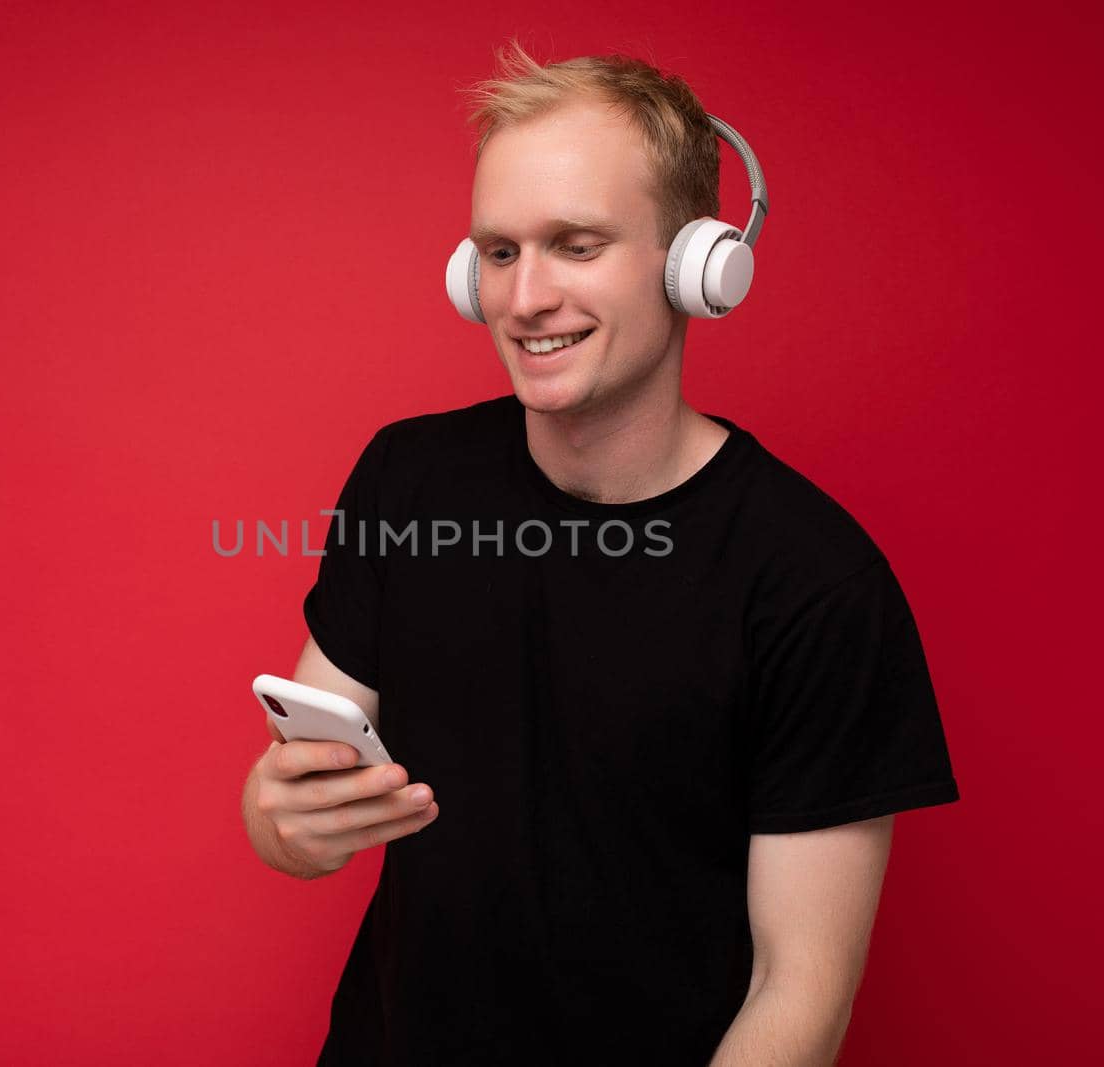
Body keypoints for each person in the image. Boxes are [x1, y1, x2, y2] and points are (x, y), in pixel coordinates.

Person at [240, 40, 959, 1066]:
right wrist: (280, 823)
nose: (524, 297)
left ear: (697, 265)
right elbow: (295, 801)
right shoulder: (409, 477)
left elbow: (798, 990)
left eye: (576, 245)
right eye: (498, 252)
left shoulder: (814, 582)